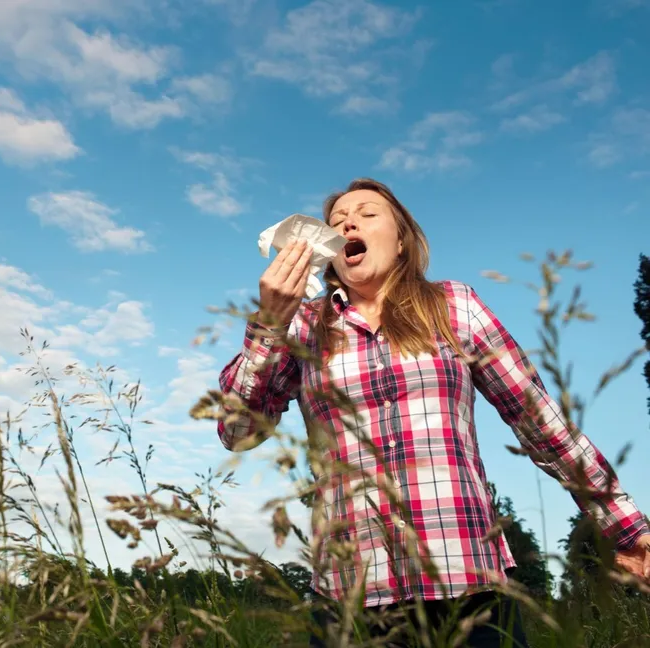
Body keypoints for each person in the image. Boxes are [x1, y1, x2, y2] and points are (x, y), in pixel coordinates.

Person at [216, 178, 650, 647]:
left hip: (467, 582)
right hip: (351, 594)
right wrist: (269, 324)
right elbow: (237, 430)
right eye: (337, 220)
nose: (348, 222)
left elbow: (541, 424)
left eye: (366, 212)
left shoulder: (453, 306)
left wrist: (625, 527)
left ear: (402, 240)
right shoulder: (302, 325)